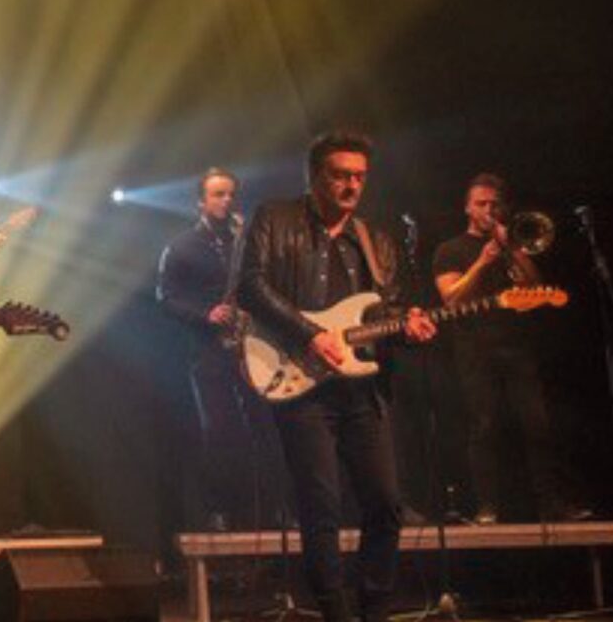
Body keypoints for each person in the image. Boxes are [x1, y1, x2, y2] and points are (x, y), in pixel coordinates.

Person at [240, 131, 436, 622]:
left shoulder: (376, 241)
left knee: (386, 504)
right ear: (315, 176)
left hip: (362, 391)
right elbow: (251, 286)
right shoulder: (274, 218)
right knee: (321, 506)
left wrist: (409, 328)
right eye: (340, 175)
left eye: (359, 177)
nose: (351, 186)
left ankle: (375, 609)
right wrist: (310, 334)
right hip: (301, 384)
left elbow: (384, 313)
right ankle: (335, 612)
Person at [432, 173, 587, 523]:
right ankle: (487, 506)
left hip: (517, 346)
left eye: (495, 205)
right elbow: (451, 299)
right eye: (482, 204)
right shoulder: (449, 250)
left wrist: (512, 250)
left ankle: (552, 503)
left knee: (538, 424)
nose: (489, 210)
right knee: (484, 425)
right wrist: (483, 261)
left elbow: (537, 288)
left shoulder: (511, 246)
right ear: (467, 208)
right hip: (474, 348)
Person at [156, 168, 252, 530]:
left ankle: (269, 508)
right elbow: (165, 298)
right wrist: (205, 314)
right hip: (208, 350)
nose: (227, 200)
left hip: (251, 345)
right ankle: (220, 509)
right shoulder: (181, 247)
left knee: (263, 426)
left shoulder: (244, 241)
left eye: (230, 194)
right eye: (218, 194)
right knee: (219, 430)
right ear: (200, 201)